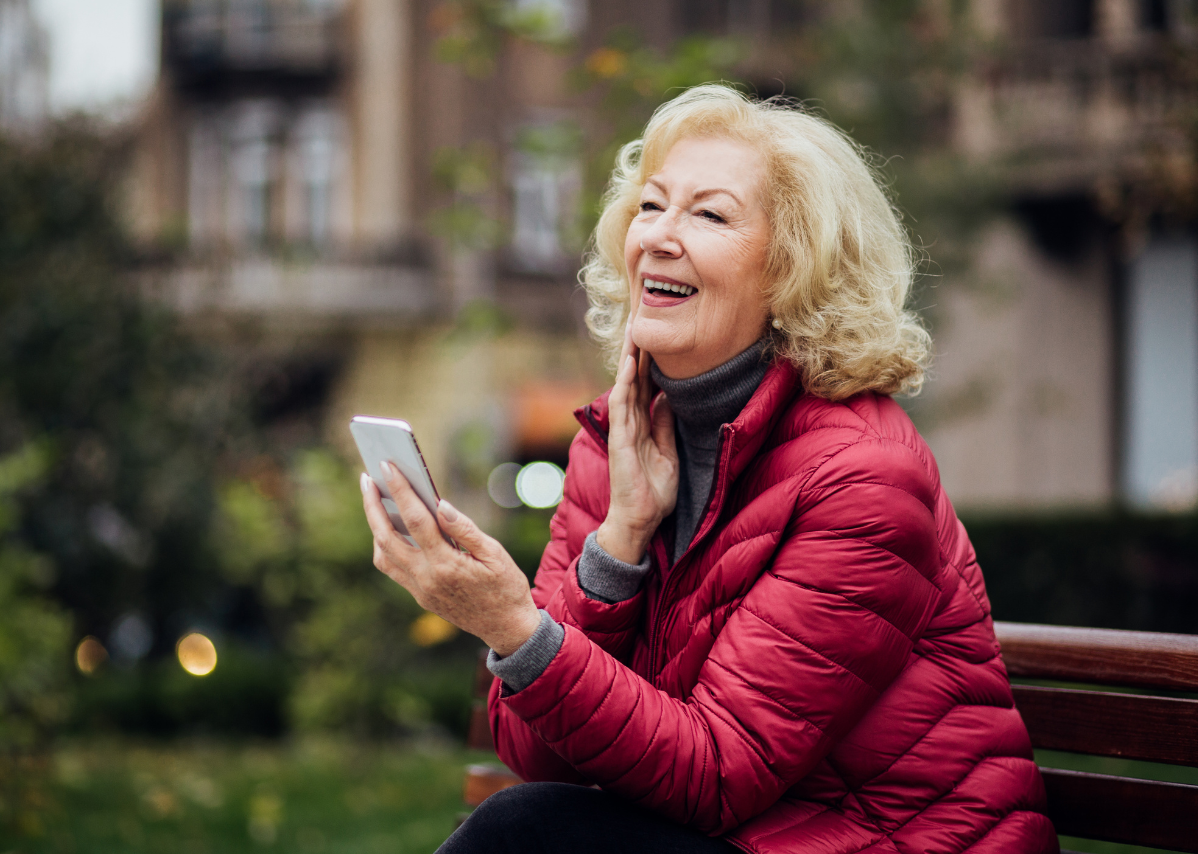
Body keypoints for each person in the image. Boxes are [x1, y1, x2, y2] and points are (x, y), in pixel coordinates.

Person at [360, 85, 1058, 854]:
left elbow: (720, 772)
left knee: (522, 831)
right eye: (651, 206)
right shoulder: (616, 439)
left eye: (709, 214)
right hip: (736, 835)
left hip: (879, 842)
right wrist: (619, 543)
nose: (657, 236)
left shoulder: (864, 477)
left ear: (796, 269)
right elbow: (530, 755)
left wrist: (513, 626)